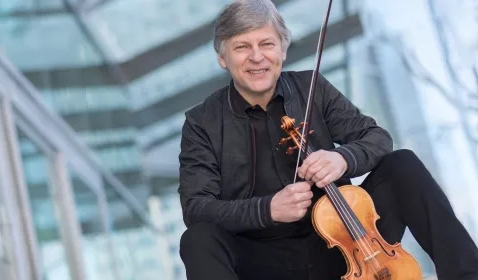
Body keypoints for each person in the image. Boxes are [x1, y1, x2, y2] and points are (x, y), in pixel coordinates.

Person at [177, 0, 478, 279]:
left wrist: (343, 158)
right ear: (222, 57)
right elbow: (196, 207)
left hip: (344, 240)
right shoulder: (201, 123)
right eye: (241, 47)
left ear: (282, 49)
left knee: (403, 165)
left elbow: (376, 138)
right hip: (264, 261)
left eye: (266, 44)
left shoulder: (312, 87)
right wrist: (267, 209)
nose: (257, 57)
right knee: (198, 239)